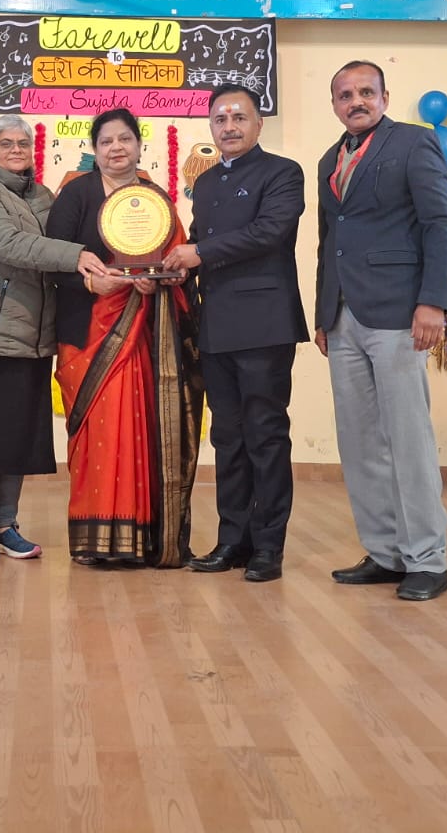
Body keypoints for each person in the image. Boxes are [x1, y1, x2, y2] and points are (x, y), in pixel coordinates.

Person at [313, 61, 447, 601]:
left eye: (366, 92)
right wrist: (323, 314)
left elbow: (441, 223)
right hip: (343, 317)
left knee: (407, 439)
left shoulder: (414, 143)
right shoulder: (329, 159)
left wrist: (433, 302)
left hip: (400, 312)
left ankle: (428, 560)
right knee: (358, 442)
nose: (356, 101)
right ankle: (386, 552)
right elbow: (330, 240)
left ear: (384, 96)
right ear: (335, 104)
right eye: (345, 94)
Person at [0, 116, 109, 564]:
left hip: (32, 336)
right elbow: (7, 243)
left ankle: (6, 525)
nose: (16, 149)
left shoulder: (44, 197)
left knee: (14, 437)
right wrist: (78, 256)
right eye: (5, 143)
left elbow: (70, 236)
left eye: (23, 143)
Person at [46, 108, 203, 568]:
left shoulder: (156, 199)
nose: (116, 148)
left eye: (124, 139)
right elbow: (53, 261)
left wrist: (163, 279)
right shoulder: (76, 194)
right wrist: (92, 283)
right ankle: (96, 540)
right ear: (95, 151)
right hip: (89, 332)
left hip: (145, 334)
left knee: (146, 431)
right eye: (106, 141)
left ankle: (146, 537)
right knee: (99, 430)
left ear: (138, 145)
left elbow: (174, 260)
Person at [162, 87, 306, 583]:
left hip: (265, 324)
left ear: (258, 124)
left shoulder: (282, 172)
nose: (229, 126)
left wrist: (199, 254)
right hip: (216, 326)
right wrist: (174, 265)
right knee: (227, 437)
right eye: (220, 119)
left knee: (265, 435)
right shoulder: (205, 184)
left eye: (239, 117)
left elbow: (269, 232)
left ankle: (268, 546)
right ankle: (232, 540)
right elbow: (199, 244)